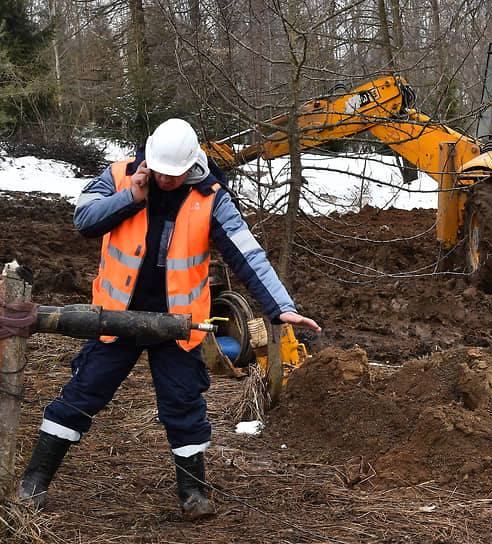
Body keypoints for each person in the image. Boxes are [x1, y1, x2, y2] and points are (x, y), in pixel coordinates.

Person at [17, 118, 321, 520]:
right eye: (160, 171)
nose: (166, 180)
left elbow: (247, 254)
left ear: (192, 164)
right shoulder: (119, 175)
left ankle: (193, 493)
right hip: (114, 318)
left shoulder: (213, 197)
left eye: (175, 174)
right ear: (149, 158)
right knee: (81, 394)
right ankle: (35, 480)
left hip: (179, 325)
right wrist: (131, 196)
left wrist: (279, 305)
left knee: (183, 405)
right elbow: (84, 220)